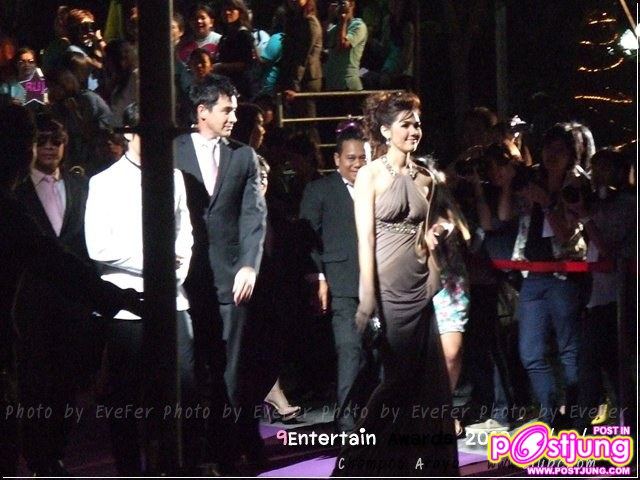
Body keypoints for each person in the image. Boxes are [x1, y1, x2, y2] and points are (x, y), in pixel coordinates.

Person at [0, 103, 141, 477]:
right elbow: (54, 260)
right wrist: (118, 297)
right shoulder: (10, 210)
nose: (40, 150)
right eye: (33, 142)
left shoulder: (67, 189)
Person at [333, 91, 458, 476]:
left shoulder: (426, 177)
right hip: (387, 291)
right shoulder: (369, 175)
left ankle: (422, 466)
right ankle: (355, 463)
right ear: (386, 131)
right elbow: (365, 239)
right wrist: (367, 297)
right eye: (405, 124)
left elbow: (432, 226)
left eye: (417, 123)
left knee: (429, 385)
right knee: (398, 379)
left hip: (421, 285)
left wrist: (441, 230)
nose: (413, 130)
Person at [84, 103, 195, 475]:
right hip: (126, 305)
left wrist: (174, 273)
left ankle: (175, 466)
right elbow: (99, 247)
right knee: (126, 399)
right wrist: (156, 264)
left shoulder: (175, 177)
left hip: (173, 301)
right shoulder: (103, 182)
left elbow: (186, 236)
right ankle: (130, 469)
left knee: (183, 387)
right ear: (129, 134)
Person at [174, 74, 267, 472]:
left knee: (232, 372)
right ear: (202, 111)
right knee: (192, 371)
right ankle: (192, 454)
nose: (234, 117)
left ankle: (228, 453)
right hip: (185, 282)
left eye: (234, 110)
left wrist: (249, 264)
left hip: (232, 280)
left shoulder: (244, 156)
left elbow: (253, 216)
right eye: (227, 110)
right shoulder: (172, 152)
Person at [11, 115, 95, 476]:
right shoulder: (17, 191)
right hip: (28, 303)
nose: (48, 147)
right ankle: (38, 457)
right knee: (34, 384)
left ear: (65, 145)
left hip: (73, 303)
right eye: (42, 140)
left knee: (67, 383)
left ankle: (57, 454)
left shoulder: (80, 185)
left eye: (55, 141)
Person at [511, 122, 590, 428]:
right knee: (530, 352)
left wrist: (546, 201)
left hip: (564, 274)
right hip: (533, 273)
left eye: (559, 149)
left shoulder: (577, 183)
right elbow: (509, 214)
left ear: (572, 153)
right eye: (547, 148)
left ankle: (576, 417)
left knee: (569, 350)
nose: (551, 155)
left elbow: (567, 233)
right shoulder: (533, 178)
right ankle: (550, 413)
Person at [299, 125, 367, 433]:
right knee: (349, 349)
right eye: (351, 158)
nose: (357, 164)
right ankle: (347, 420)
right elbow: (306, 239)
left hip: (378, 283)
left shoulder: (377, 188)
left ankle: (374, 414)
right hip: (341, 283)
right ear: (337, 159)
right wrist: (318, 277)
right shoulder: (320, 190)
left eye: (362, 158)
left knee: (375, 354)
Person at [214, 0, 257, 99]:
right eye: (224, 10)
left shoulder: (243, 35)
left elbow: (246, 63)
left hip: (243, 87)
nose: (227, 12)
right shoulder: (225, 35)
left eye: (231, 9)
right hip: (228, 85)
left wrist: (221, 66)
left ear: (240, 12)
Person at [323, 0, 367, 91]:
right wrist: (330, 17)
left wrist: (343, 21)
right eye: (337, 3)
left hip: (347, 84)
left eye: (342, 3)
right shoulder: (335, 28)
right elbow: (321, 41)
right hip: (332, 83)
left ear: (352, 5)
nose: (339, 7)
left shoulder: (358, 26)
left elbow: (342, 46)